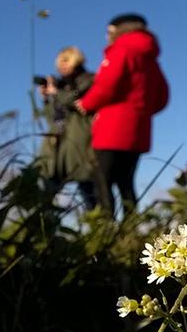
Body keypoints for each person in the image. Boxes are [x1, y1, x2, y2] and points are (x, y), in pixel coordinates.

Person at [76, 13, 169, 216]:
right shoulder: (151, 59)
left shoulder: (121, 49)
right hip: (139, 129)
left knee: (103, 178)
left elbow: (107, 84)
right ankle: (130, 229)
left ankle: (106, 226)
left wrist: (86, 103)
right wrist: (140, 112)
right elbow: (162, 97)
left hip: (112, 128)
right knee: (126, 182)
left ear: (116, 30)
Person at [36, 46, 98, 208]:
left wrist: (57, 93)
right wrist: (46, 99)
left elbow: (79, 104)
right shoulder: (60, 87)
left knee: (87, 186)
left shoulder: (88, 80)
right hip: (56, 145)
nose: (62, 66)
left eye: (66, 60)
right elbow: (52, 118)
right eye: (59, 62)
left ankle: (99, 225)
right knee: (47, 187)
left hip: (79, 142)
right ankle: (44, 226)